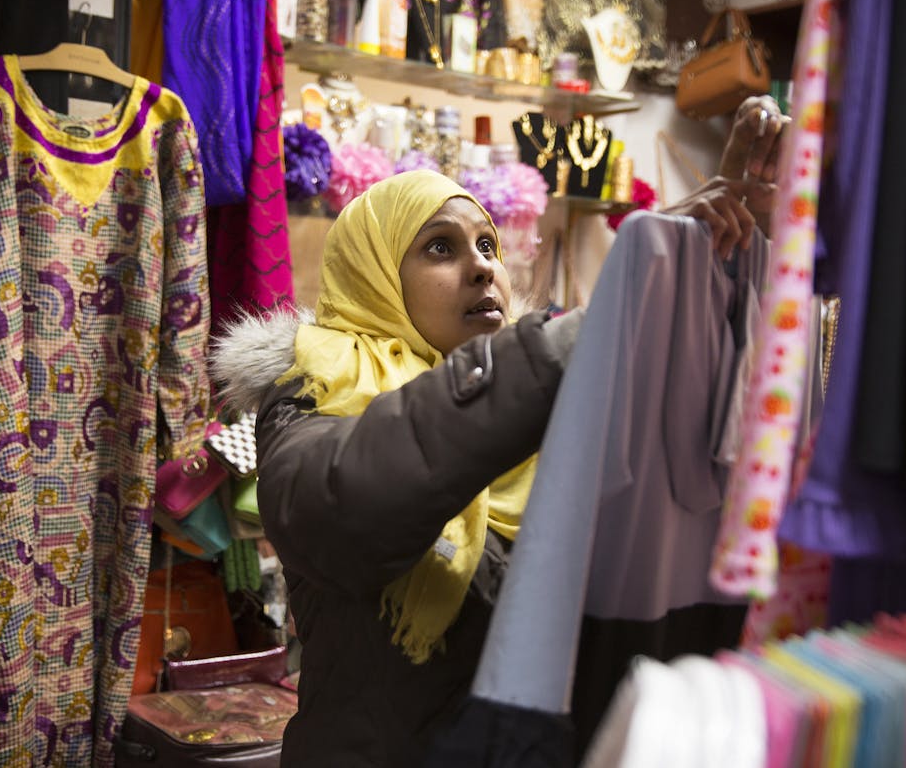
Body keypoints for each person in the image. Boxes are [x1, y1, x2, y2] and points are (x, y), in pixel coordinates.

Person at [209, 96, 786, 767]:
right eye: (439, 247)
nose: (483, 266)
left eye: (488, 245)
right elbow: (345, 506)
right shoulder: (312, 398)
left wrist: (717, 262)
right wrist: (576, 339)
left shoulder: (544, 400)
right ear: (373, 278)